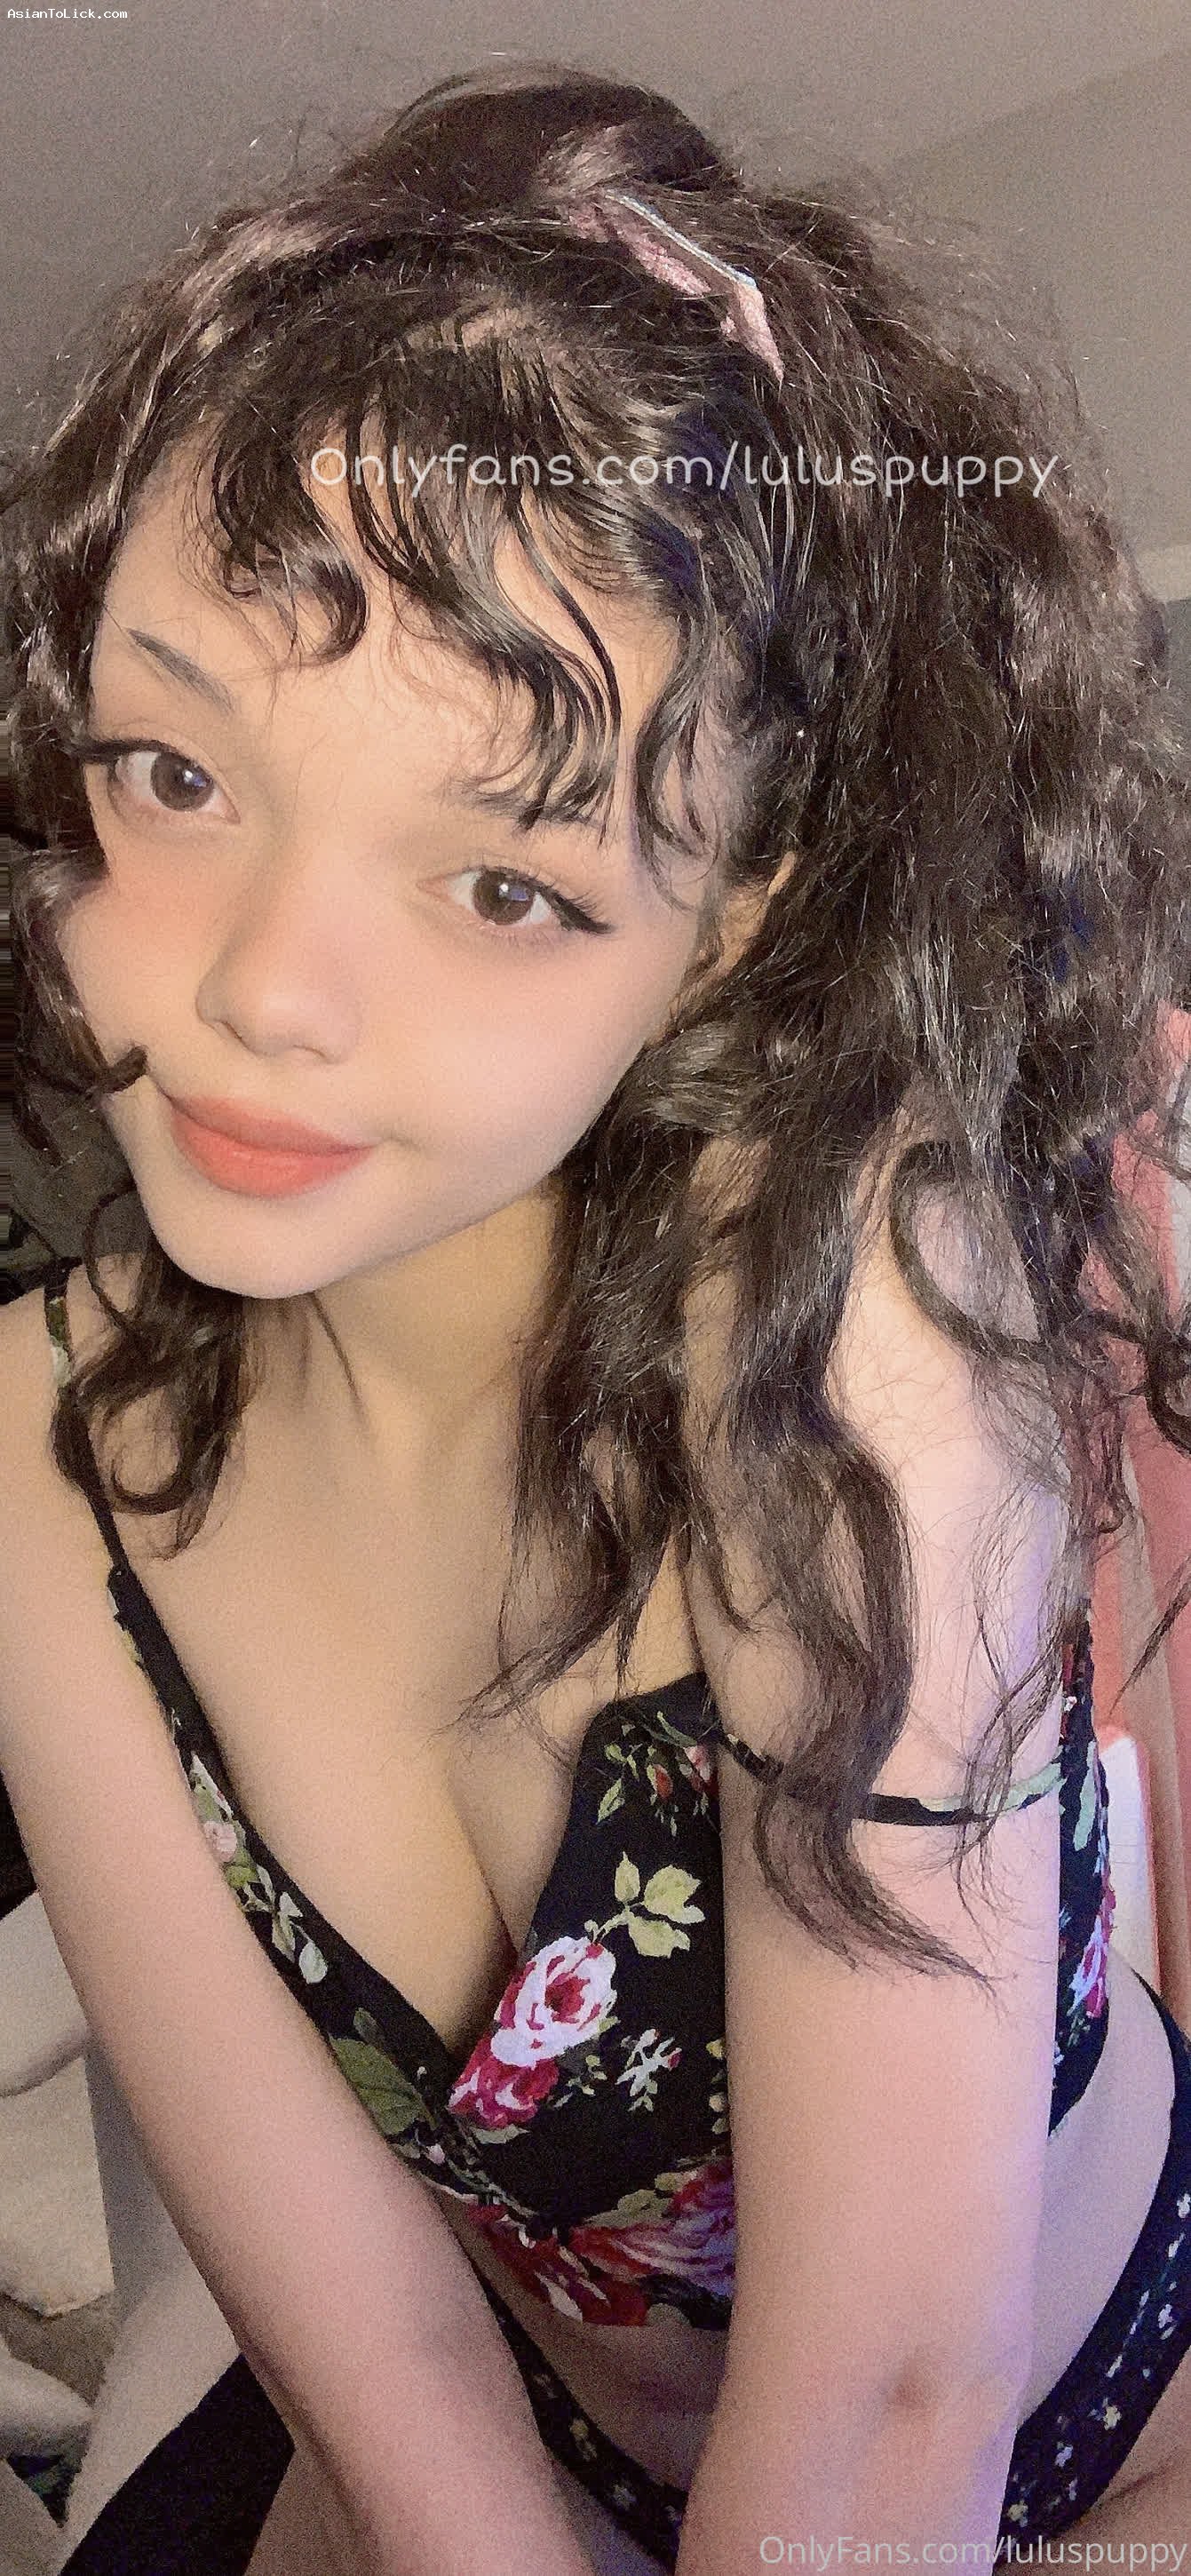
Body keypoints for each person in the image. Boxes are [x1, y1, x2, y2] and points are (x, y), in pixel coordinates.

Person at [1, 56, 1190, 2576]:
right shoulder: (28, 1449)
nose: (264, 994)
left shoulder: (858, 1344)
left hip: (1110, 2432)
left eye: (505, 881)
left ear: (725, 927)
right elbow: (373, 2355)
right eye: (180, 774)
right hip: (559, 2456)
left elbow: (892, 2406)